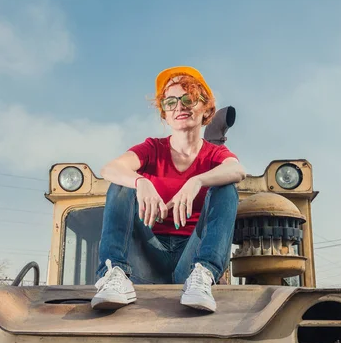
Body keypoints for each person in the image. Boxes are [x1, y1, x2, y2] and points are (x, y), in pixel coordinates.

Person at [91, 66, 246, 312]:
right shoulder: (153, 149)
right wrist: (141, 181)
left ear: (206, 107)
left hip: (190, 256)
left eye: (189, 99)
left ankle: (204, 274)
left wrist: (197, 181)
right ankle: (115, 272)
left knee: (225, 188)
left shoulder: (215, 154)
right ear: (164, 112)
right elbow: (110, 168)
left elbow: (237, 171)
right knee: (121, 184)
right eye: (171, 101)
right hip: (147, 253)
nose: (180, 107)